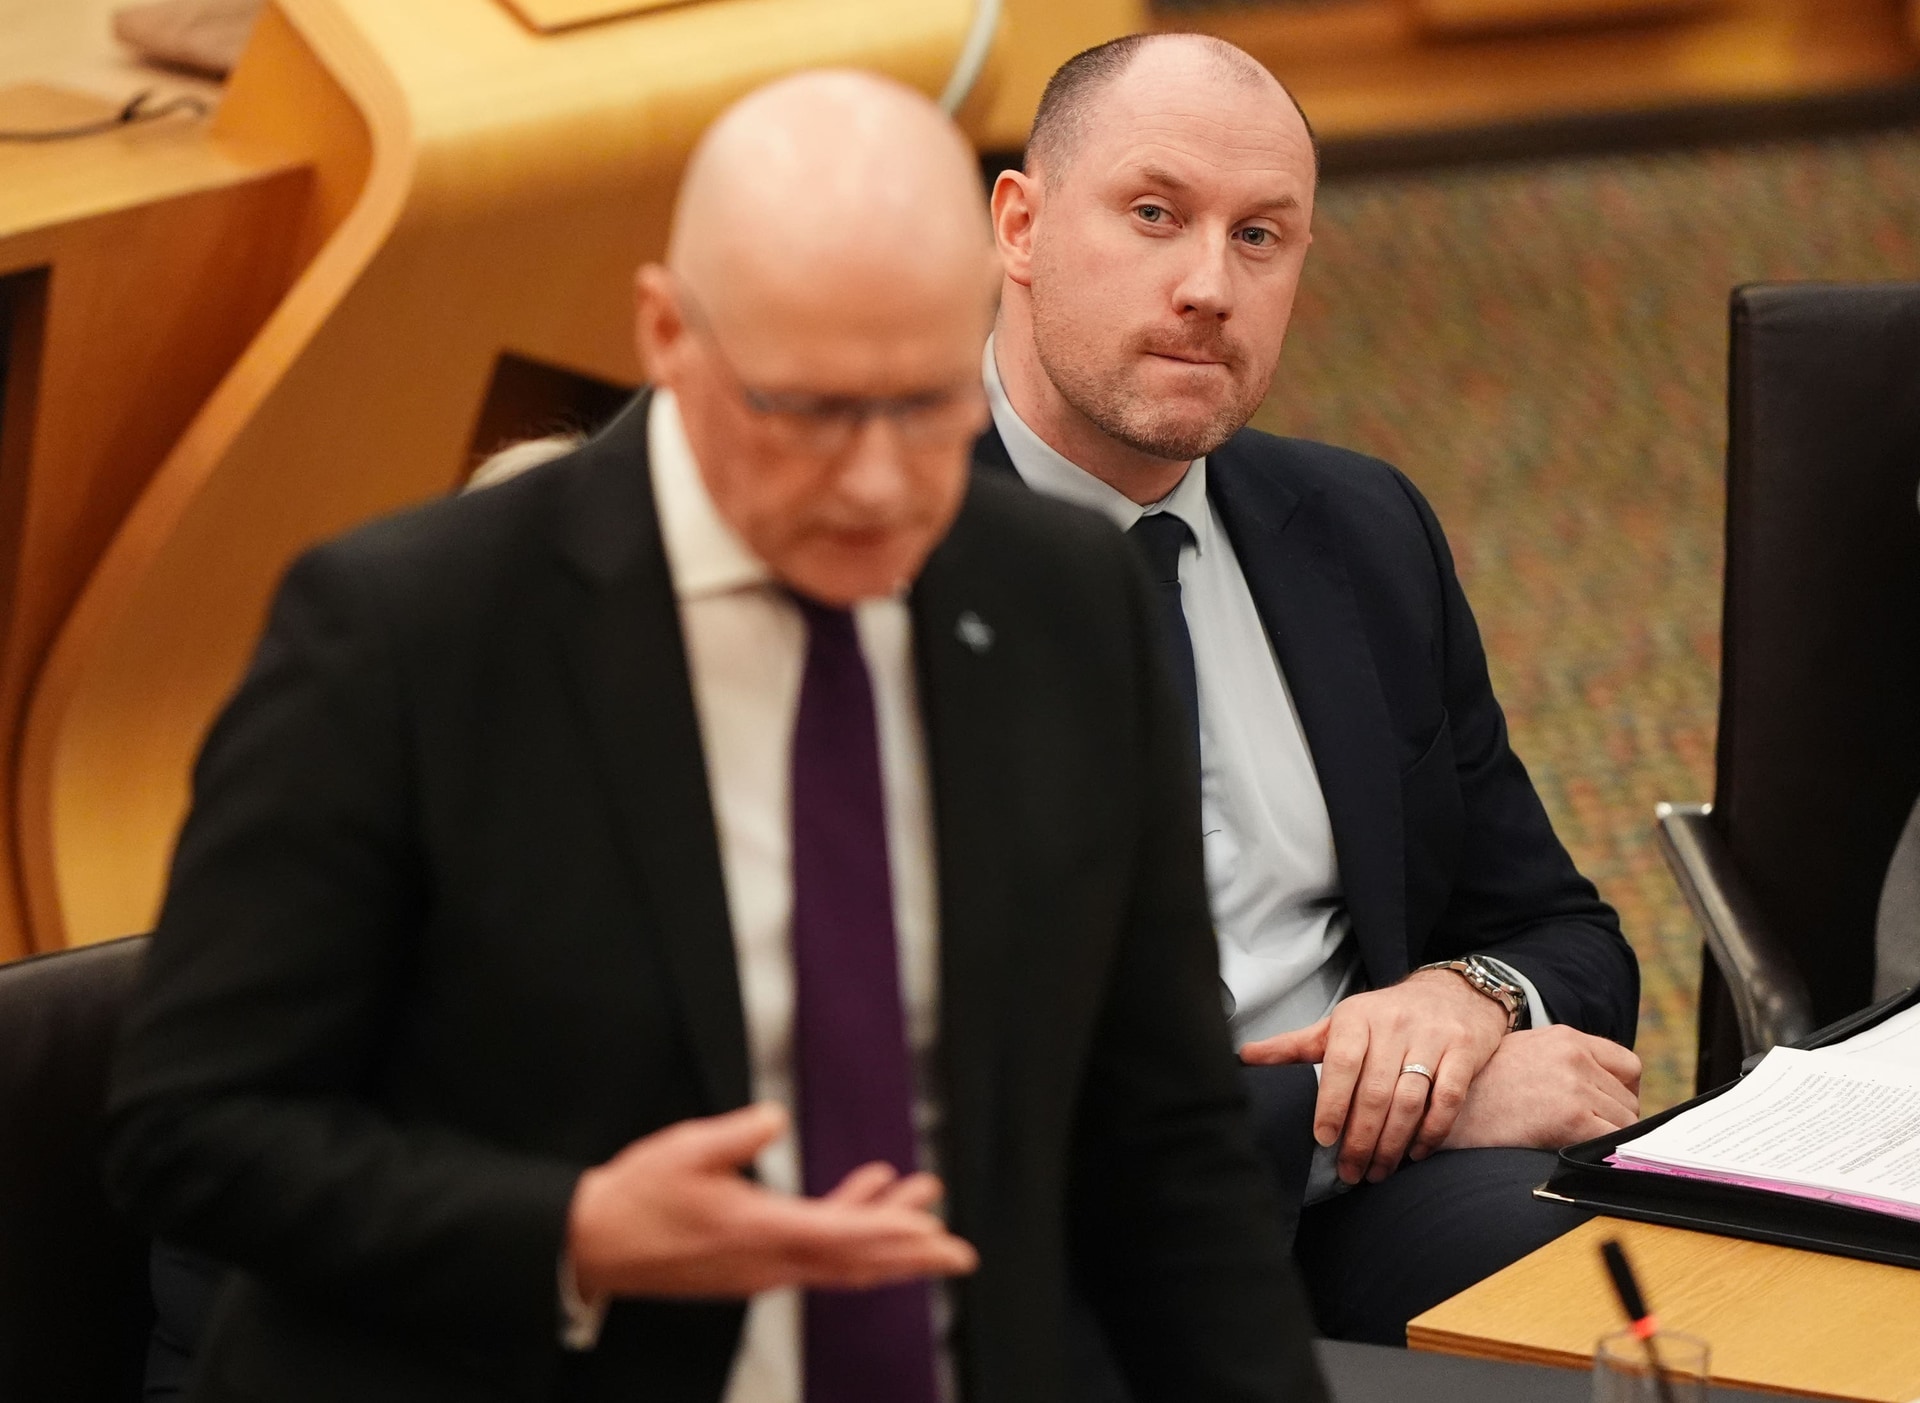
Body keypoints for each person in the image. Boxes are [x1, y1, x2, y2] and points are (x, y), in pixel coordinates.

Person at [104, 70, 1325, 1403]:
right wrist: (572, 1231)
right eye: (806, 412)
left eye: (923, 408)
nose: (874, 482)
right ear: (668, 335)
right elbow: (194, 1134)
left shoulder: (1062, 601)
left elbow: (1164, 1137)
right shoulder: (413, 633)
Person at [979, 33, 1644, 1350]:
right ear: (1021, 223)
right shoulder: (875, 564)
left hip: (1359, 1205)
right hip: (1043, 1253)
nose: (1208, 287)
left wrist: (1471, 1000)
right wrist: (1426, 1105)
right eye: (1155, 215)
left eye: (1264, 237)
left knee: (1656, 1307)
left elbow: (1570, 936)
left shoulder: (1356, 526)